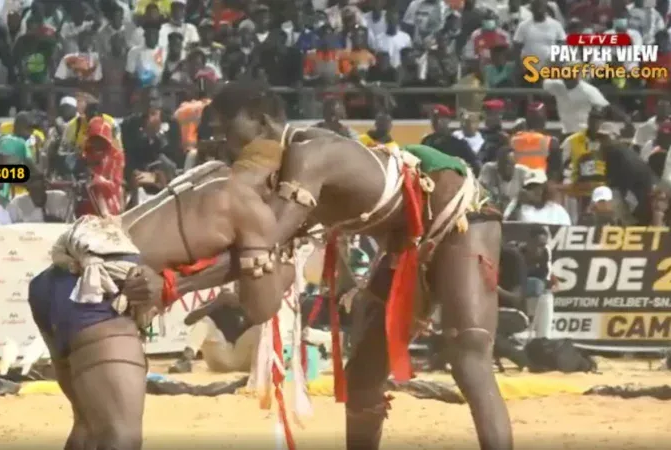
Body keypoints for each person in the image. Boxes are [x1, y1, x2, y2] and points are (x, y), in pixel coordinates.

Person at [132, 82, 513, 450]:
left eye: (226, 130)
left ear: (262, 121)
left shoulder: (309, 154)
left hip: (461, 217)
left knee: (469, 354)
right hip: (406, 243)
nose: (221, 144)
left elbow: (264, 242)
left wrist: (174, 286)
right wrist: (174, 283)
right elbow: (257, 256)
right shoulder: (280, 176)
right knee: (363, 379)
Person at [27, 133, 286, 449]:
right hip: (101, 287)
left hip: (55, 280)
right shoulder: (251, 207)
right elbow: (260, 306)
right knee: (120, 437)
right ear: (274, 179)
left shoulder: (207, 174)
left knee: (89, 428)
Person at [167, 289, 260, 374]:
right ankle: (185, 361)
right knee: (205, 321)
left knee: (261, 327)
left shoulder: (250, 306)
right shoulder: (214, 303)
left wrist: (243, 305)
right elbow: (188, 321)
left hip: (244, 361)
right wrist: (217, 302)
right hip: (220, 358)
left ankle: (265, 369)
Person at [76, 117, 125, 217]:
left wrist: (99, 180)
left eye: (101, 141)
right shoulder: (85, 154)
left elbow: (115, 186)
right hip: (86, 205)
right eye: (94, 140)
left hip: (110, 203)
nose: (97, 144)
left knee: (100, 190)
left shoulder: (117, 156)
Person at [494, 242, 530, 372]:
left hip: (515, 313)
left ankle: (522, 359)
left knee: (486, 329)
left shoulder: (512, 258)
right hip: (491, 312)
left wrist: (494, 289)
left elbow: (516, 298)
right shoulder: (480, 258)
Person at [421, 104, 481, 176]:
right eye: (434, 118)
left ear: (448, 121)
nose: (437, 122)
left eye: (441, 118)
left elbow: (476, 165)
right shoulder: (427, 141)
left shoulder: (458, 144)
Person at [519, 225, 554, 339]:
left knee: (547, 294)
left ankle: (542, 336)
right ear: (529, 241)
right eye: (537, 245)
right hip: (515, 286)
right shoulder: (518, 252)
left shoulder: (545, 252)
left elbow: (545, 275)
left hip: (534, 286)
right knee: (537, 285)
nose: (540, 249)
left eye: (543, 245)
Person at [511, 101, 562, 180]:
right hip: (539, 185)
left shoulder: (513, 139)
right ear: (545, 119)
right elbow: (555, 173)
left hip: (517, 184)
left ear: (526, 121)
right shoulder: (551, 142)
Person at [504, 169, 572, 225]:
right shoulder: (518, 207)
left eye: (537, 186)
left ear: (545, 188)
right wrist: (518, 204)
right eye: (530, 187)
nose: (534, 190)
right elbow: (507, 227)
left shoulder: (557, 211)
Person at [478, 146, 530, 212]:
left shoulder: (523, 172)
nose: (507, 168)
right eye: (504, 164)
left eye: (511, 164)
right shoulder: (488, 169)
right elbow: (478, 191)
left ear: (515, 163)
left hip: (516, 212)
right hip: (492, 211)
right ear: (498, 164)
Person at [7, 175, 71, 223]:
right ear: (28, 189)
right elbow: (9, 227)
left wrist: (56, 222)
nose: (37, 193)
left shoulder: (59, 198)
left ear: (45, 187)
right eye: (34, 189)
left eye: (40, 188)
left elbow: (70, 225)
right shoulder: (17, 203)